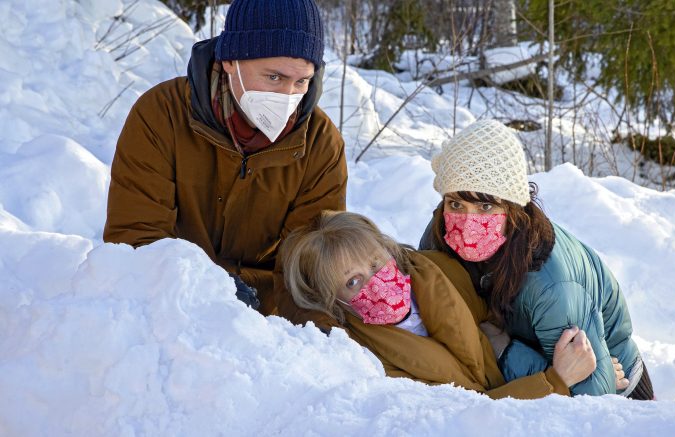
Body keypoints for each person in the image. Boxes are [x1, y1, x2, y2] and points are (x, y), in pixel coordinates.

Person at [103, 0, 347, 316]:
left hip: (266, 314)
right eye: (274, 77)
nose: (287, 95)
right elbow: (135, 240)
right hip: (167, 302)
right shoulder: (163, 114)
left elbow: (311, 268)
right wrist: (209, 292)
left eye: (301, 81)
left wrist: (303, 339)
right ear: (230, 61)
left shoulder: (319, 143)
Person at [418, 119, 654, 400]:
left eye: (485, 205)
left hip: (622, 394)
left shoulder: (551, 285)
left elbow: (590, 395)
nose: (468, 222)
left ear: (513, 207)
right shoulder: (439, 238)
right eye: (456, 204)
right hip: (534, 381)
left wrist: (499, 348)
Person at [280, 210, 601, 399]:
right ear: (334, 301)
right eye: (353, 282)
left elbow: (504, 314)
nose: (374, 282)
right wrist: (555, 381)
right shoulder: (368, 359)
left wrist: (585, 362)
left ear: (389, 251)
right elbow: (464, 417)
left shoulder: (436, 270)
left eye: (376, 264)